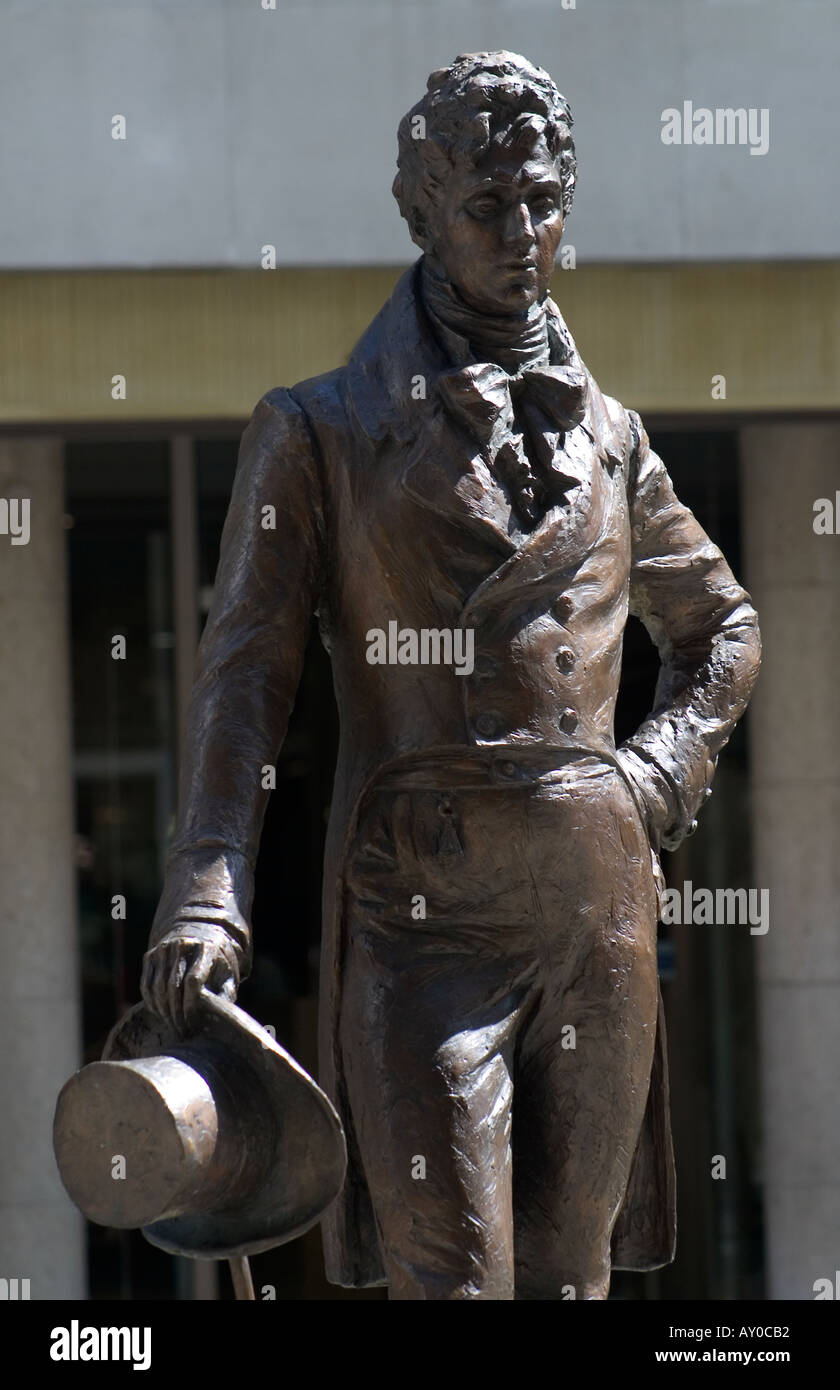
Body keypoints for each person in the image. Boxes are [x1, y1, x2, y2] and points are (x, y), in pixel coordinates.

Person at [141, 51, 761, 1299]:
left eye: (542, 200)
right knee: (457, 1278)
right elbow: (245, 673)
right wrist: (209, 885)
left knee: (569, 1277)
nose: (523, 233)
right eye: (486, 206)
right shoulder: (319, 431)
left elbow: (726, 629)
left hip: (595, 906)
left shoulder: (615, 440)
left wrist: (652, 777)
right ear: (420, 211)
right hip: (421, 913)